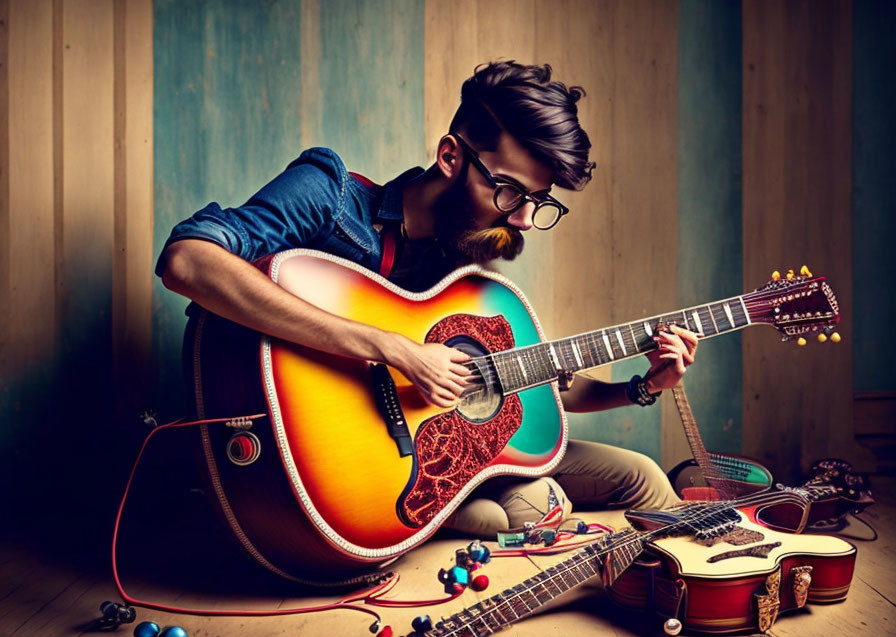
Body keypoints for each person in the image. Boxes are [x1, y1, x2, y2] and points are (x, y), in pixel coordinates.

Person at [157, 60, 698, 537]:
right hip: (318, 462)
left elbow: (530, 384)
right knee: (513, 511)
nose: (525, 220)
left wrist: (642, 387)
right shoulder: (329, 194)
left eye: (538, 201)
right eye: (510, 192)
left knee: (641, 473)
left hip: (439, 451)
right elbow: (187, 261)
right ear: (449, 157)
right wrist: (393, 347)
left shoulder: (463, 263)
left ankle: (702, 577)